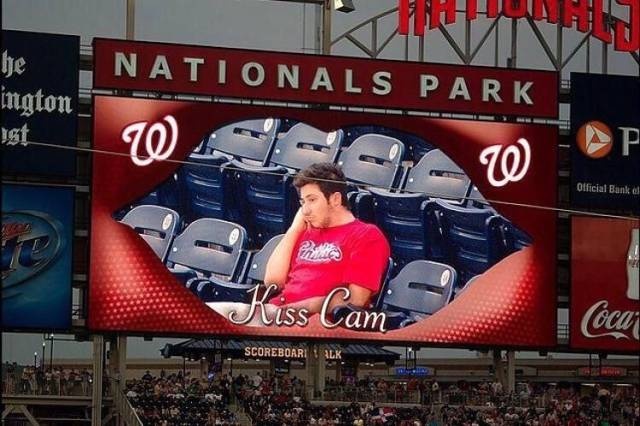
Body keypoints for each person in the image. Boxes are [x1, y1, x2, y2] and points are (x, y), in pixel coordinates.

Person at [263, 162, 390, 314]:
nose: (305, 210)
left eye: (312, 200)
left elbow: (356, 300)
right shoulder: (306, 230)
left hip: (312, 324)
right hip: (276, 313)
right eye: (302, 202)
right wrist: (294, 229)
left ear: (335, 199)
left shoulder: (367, 235)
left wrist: (291, 310)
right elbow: (273, 282)